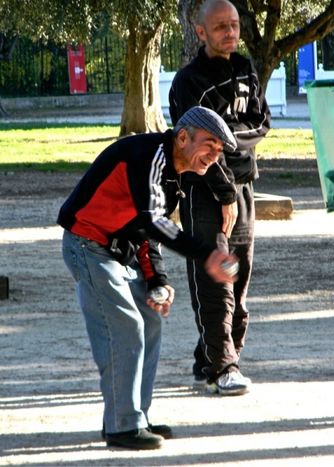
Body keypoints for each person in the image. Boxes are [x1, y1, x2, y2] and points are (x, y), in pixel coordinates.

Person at [57, 106, 240, 451]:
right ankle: (123, 426)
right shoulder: (152, 156)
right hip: (88, 244)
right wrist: (207, 255)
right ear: (183, 137)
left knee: (150, 319)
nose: (213, 157)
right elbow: (155, 221)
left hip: (118, 250)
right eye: (209, 145)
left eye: (219, 152)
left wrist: (157, 280)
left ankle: (136, 415)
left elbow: (146, 232)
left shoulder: (174, 172)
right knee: (126, 327)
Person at [169, 0, 271, 396]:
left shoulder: (246, 68)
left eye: (234, 25)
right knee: (216, 278)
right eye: (220, 27)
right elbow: (199, 146)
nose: (230, 33)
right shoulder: (188, 82)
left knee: (240, 277)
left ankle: (210, 357)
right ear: (200, 32)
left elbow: (261, 123)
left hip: (244, 186)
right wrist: (224, 189)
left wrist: (224, 137)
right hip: (205, 192)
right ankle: (223, 367)